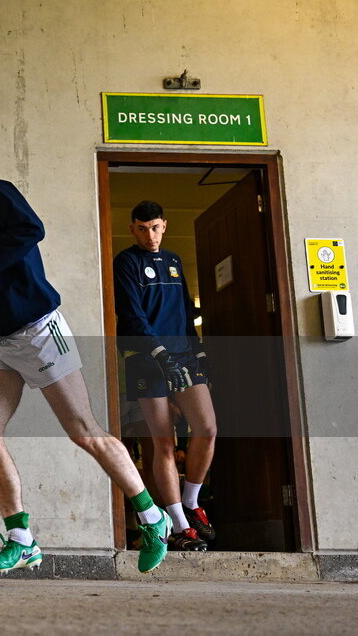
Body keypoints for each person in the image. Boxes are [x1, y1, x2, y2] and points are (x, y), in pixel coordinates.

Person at [0, 146, 172, 574]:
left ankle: (153, 517)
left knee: (83, 431)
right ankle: (21, 539)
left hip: (39, 329)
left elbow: (30, 230)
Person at [113, 200, 218, 552]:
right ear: (133, 229)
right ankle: (178, 524)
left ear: (165, 226)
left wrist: (198, 351)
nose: (149, 235)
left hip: (184, 356)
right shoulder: (125, 262)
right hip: (146, 359)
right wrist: (159, 353)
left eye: (155, 227)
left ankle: (191, 501)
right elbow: (131, 315)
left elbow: (186, 310)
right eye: (142, 228)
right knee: (163, 443)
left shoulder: (173, 262)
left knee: (207, 429)